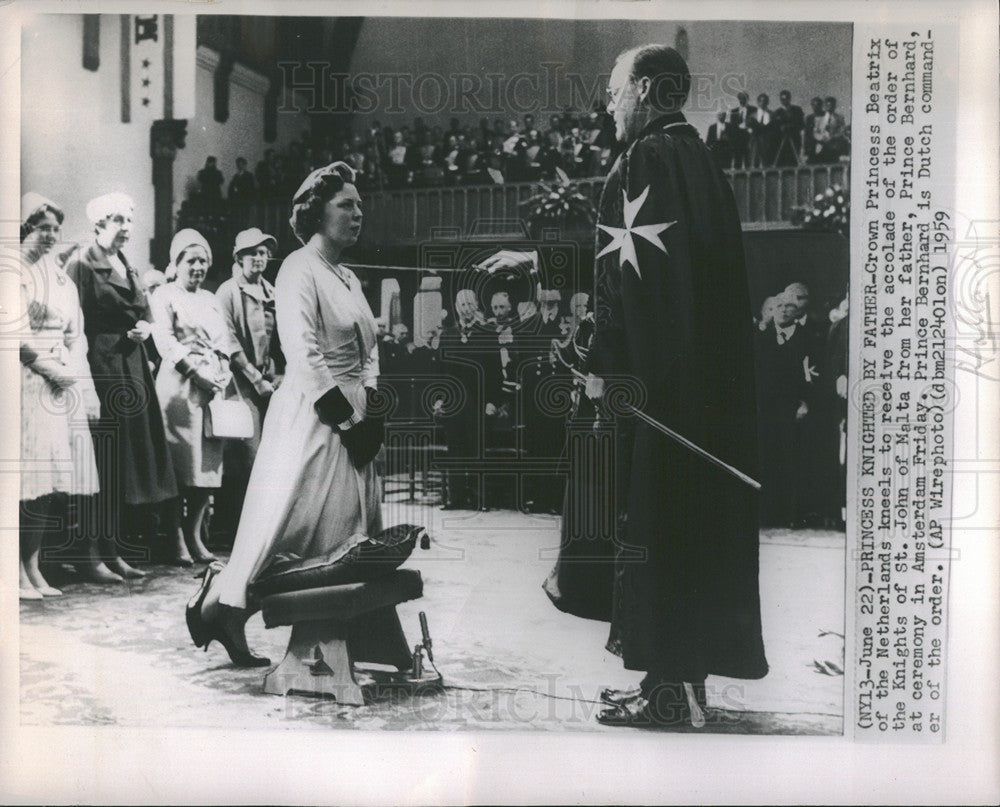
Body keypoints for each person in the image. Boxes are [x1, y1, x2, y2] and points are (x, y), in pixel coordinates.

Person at [479, 44, 768, 727]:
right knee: (691, 536)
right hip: (704, 397)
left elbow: (628, 282)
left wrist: (594, 362)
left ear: (642, 88)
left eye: (613, 91)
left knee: (655, 533)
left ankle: (667, 694)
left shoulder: (642, 158)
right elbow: (642, 260)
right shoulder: (699, 161)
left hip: (656, 399)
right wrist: (541, 256)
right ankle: (683, 684)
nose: (608, 105)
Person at [187, 162, 383, 666]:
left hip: (352, 414)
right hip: (315, 417)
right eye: (346, 205)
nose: (358, 213)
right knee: (290, 527)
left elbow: (369, 349)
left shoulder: (348, 275)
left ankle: (334, 633)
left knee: (347, 529)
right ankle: (221, 603)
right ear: (317, 213)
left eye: (360, 205)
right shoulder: (298, 268)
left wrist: (373, 406)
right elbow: (303, 352)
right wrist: (345, 420)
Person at [66, 193, 180, 574]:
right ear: (98, 224)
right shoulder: (82, 263)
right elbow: (73, 324)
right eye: (117, 220)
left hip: (131, 366)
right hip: (102, 366)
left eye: (129, 220)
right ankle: (90, 554)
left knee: (124, 463)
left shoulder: (127, 264)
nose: (126, 227)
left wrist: (146, 327)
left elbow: (146, 312)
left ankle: (112, 551)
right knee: (104, 459)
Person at [18, 194, 103, 597]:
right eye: (42, 227)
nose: (50, 235)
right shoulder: (12, 270)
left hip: (58, 382)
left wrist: (80, 382)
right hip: (22, 380)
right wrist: (48, 367)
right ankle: (13, 569)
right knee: (22, 479)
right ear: (26, 228)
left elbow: (76, 334)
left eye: (55, 228)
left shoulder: (61, 278)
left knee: (48, 481)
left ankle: (32, 567)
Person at [149, 229, 234, 564]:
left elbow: (224, 339)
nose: (198, 266)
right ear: (177, 263)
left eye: (203, 260)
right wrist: (194, 371)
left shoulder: (211, 299)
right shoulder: (164, 295)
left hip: (211, 389)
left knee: (207, 469)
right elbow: (164, 340)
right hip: (179, 388)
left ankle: (194, 534)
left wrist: (223, 368)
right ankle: (174, 538)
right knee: (179, 467)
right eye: (191, 260)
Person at [214, 228, 282, 544]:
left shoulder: (273, 292)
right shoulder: (228, 292)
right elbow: (227, 341)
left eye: (264, 252)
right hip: (240, 386)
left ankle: (264, 531)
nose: (259, 258)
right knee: (244, 457)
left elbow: (281, 339)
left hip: (272, 386)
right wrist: (255, 378)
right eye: (252, 252)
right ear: (239, 258)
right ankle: (232, 532)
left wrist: (279, 375)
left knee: (273, 458)